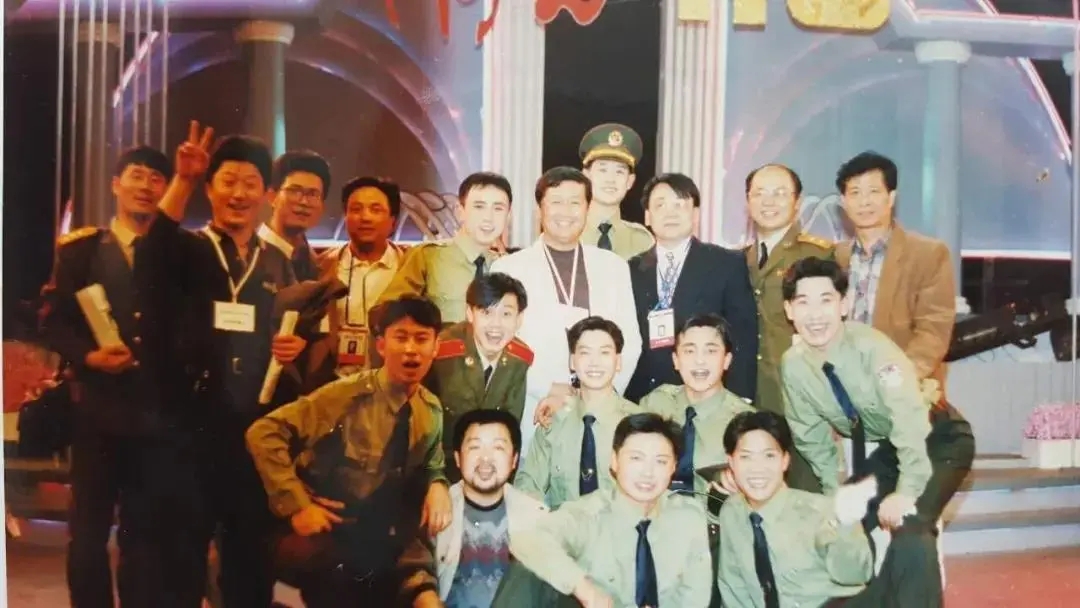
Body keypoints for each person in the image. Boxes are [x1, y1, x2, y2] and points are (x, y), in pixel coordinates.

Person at [145, 122, 308, 607]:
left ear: (266, 195)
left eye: (250, 183)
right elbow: (152, 251)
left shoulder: (276, 262)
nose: (238, 194)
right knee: (182, 552)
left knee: (249, 553)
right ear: (211, 188)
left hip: (253, 428)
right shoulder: (187, 248)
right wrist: (184, 179)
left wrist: (290, 350)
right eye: (228, 181)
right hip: (190, 424)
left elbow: (288, 330)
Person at [42, 146, 206, 607]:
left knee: (144, 534)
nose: (146, 186)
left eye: (157, 178)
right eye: (137, 175)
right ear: (116, 184)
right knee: (88, 533)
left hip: (156, 417)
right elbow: (52, 321)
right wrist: (90, 357)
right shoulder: (81, 250)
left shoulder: (182, 253)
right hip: (96, 414)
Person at [779, 257, 975, 604]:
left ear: (844, 304)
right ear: (789, 310)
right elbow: (812, 441)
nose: (815, 315)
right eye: (803, 302)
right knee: (843, 527)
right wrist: (837, 496)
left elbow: (909, 422)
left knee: (910, 525)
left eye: (826, 300)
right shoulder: (794, 367)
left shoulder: (872, 348)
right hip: (890, 450)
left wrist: (906, 491)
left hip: (939, 438)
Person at [245, 295, 452, 607]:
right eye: (401, 337)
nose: (411, 349)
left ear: (435, 347)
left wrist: (438, 483)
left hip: (376, 534)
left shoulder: (431, 410)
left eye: (421, 339)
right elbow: (263, 432)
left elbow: (433, 462)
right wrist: (297, 505)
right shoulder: (346, 396)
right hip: (323, 534)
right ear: (381, 345)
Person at [718, 410, 942, 607]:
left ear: (785, 461)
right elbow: (733, 588)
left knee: (915, 544)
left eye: (769, 456)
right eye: (746, 457)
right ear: (731, 462)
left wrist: (843, 526)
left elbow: (856, 575)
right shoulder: (732, 512)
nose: (758, 469)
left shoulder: (822, 510)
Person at [491, 167, 642, 454]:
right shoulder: (508, 269)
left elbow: (631, 343)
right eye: (556, 202)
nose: (566, 211)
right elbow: (500, 345)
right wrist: (549, 388)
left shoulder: (613, 267)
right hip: (535, 408)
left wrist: (596, 392)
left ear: (588, 208)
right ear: (540, 209)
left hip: (600, 409)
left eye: (575, 202)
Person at [510, 412, 714, 606]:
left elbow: (694, 597)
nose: (648, 472)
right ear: (614, 461)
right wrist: (583, 588)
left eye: (660, 461)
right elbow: (527, 538)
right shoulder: (590, 514)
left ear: (673, 467)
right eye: (636, 458)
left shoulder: (688, 517)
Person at [626, 172, 758, 403]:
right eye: (660, 205)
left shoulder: (727, 264)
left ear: (695, 215)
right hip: (644, 398)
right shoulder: (631, 269)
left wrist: (740, 399)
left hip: (707, 396)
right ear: (647, 216)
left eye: (679, 205)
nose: (670, 213)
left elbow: (743, 337)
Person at [833, 152, 956, 394]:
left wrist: (892, 384)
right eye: (855, 193)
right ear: (844, 201)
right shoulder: (835, 256)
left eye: (873, 191)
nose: (864, 202)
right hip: (843, 392)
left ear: (891, 198)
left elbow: (933, 332)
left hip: (903, 393)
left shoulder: (928, 254)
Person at [744, 163, 832, 492]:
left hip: (801, 401)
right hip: (750, 398)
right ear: (748, 201)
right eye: (759, 193)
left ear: (798, 202)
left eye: (780, 193)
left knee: (806, 494)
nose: (769, 201)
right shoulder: (739, 259)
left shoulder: (818, 255)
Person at [405, 409, 550, 608]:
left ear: (514, 460)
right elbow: (412, 568)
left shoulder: (536, 517)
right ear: (457, 458)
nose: (485, 459)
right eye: (475, 447)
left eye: (498, 447)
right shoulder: (435, 507)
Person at [515, 317, 640, 509]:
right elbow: (528, 487)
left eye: (604, 353)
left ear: (618, 362)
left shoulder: (639, 424)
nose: (594, 363)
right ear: (572, 361)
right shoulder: (553, 422)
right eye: (585, 353)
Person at [302, 176, 409, 388]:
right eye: (356, 209)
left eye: (375, 210)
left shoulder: (410, 267)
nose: (365, 217)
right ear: (345, 217)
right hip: (334, 387)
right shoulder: (321, 268)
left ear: (392, 221)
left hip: (394, 386)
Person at [425, 272, 534, 480]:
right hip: (439, 469)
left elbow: (510, 432)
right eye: (486, 312)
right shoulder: (440, 352)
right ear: (470, 313)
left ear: (519, 319)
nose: (496, 325)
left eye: (506, 314)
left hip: (488, 473)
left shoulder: (519, 360)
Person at [379, 172, 514, 324]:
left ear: (508, 216)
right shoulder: (428, 257)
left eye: (498, 209)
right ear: (460, 212)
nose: (488, 217)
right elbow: (386, 316)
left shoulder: (509, 267)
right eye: (479, 207)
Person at [577, 123, 654, 259]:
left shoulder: (642, 241)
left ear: (630, 181)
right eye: (603, 170)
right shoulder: (567, 232)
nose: (610, 179)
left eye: (619, 171)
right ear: (586, 176)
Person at [257, 150, 331, 282]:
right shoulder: (251, 255)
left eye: (313, 194)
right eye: (294, 190)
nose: (304, 201)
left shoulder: (316, 263)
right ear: (272, 196)